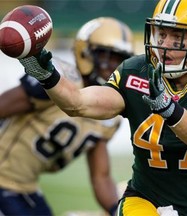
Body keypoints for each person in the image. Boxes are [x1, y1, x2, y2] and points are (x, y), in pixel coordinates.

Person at [17, 0, 187, 215]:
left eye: (179, 37)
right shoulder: (137, 70)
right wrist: (46, 75)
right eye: (161, 34)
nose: (166, 45)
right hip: (144, 202)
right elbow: (77, 103)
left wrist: (167, 108)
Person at [0, 16, 134, 216]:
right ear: (84, 52)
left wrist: (117, 211)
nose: (111, 67)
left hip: (24, 188)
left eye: (119, 60)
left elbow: (101, 177)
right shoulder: (57, 80)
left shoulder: (109, 114)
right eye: (106, 56)